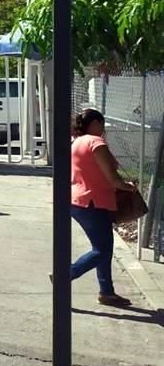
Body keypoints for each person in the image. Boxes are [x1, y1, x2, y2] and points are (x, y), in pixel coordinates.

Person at [67, 109, 135, 307]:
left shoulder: (77, 142)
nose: (104, 129)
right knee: (103, 250)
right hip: (94, 202)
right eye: (102, 124)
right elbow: (113, 179)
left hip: (78, 200)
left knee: (102, 248)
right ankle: (67, 274)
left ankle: (107, 292)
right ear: (95, 123)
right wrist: (128, 187)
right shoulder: (96, 143)